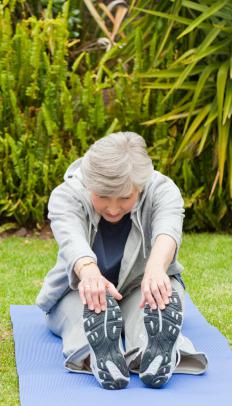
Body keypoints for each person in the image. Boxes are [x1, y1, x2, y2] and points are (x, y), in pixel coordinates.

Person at [36, 132, 208, 390]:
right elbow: (72, 239)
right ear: (89, 184)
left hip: (142, 285)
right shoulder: (66, 195)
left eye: (125, 198)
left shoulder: (163, 190)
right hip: (78, 289)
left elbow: (168, 229)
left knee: (154, 305)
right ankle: (100, 356)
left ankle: (153, 353)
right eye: (103, 197)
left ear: (141, 186)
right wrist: (89, 274)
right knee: (83, 316)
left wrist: (156, 268)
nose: (113, 209)